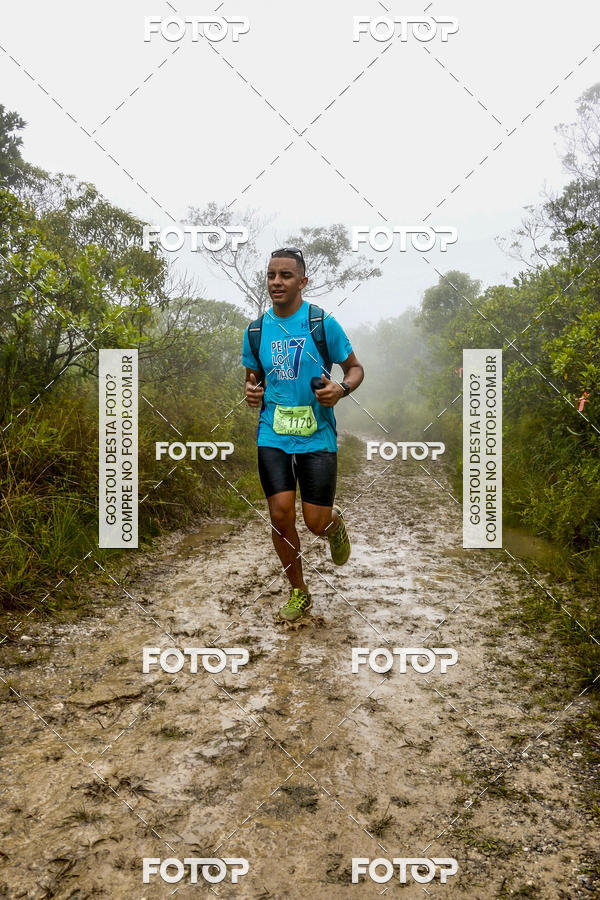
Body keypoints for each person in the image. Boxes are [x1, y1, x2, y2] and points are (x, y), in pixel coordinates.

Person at [242, 246, 364, 623]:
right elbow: (253, 380)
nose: (276, 282)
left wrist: (341, 390)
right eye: (271, 275)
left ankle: (334, 523)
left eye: (286, 276)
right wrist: (251, 393)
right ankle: (299, 591)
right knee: (280, 517)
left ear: (302, 281)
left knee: (315, 523)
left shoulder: (321, 323)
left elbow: (355, 368)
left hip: (317, 436)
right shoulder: (256, 330)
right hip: (273, 434)